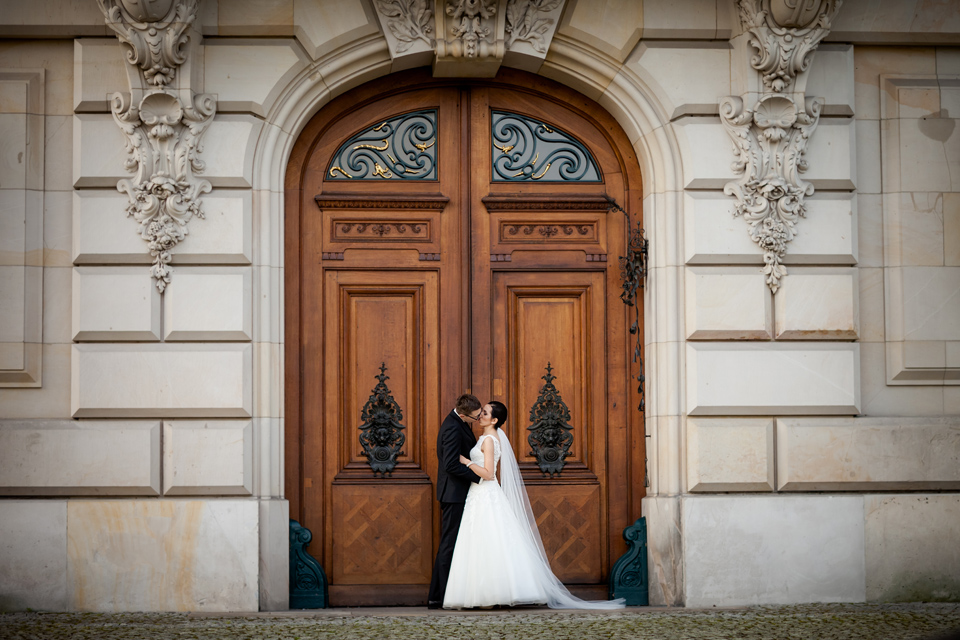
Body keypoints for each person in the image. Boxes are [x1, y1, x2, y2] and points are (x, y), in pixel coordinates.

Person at [442, 401, 625, 610]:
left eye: (484, 413)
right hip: (478, 495)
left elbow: (489, 474)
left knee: (488, 540)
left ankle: (490, 595)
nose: (480, 415)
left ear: (494, 420)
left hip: (486, 493)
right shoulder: (484, 438)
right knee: (481, 542)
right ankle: (482, 593)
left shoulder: (490, 440)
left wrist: (466, 462)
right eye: (481, 412)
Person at [427, 393, 483, 609]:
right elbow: (450, 464)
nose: (477, 421)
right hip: (453, 495)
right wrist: (478, 475)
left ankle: (444, 594)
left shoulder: (459, 421)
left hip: (459, 493)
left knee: (453, 545)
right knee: (448, 545)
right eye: (475, 417)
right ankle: (437, 597)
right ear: (462, 414)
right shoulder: (452, 426)